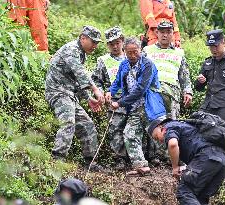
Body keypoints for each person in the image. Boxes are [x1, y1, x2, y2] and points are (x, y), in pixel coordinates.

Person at [45, 26, 105, 171]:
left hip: (69, 95)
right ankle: (57, 161)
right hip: (58, 93)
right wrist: (95, 89)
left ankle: (90, 163)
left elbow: (76, 81)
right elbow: (80, 73)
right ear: (83, 38)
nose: (95, 46)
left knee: (87, 125)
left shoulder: (81, 53)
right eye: (93, 42)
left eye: (97, 43)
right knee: (68, 122)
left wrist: (88, 98)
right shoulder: (71, 49)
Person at [106, 37, 166, 174]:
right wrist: (110, 91)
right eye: (129, 52)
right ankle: (141, 165)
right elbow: (117, 82)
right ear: (124, 51)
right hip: (134, 107)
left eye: (135, 52)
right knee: (130, 133)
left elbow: (140, 89)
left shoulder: (147, 65)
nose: (132, 55)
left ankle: (179, 161)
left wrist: (119, 102)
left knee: (159, 135)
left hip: (149, 106)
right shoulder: (124, 64)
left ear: (140, 50)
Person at [148, 118, 225, 205]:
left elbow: (173, 144)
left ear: (161, 127)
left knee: (184, 191)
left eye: (156, 137)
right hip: (224, 161)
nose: (159, 141)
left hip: (207, 156)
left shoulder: (168, 127)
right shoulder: (184, 126)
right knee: (199, 196)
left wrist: (175, 167)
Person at [91, 26, 127, 170]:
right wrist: (101, 93)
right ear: (108, 45)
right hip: (113, 101)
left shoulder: (131, 55)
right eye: (111, 44)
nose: (115, 46)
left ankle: (138, 157)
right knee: (115, 130)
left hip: (132, 99)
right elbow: (96, 80)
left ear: (122, 41)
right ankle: (120, 159)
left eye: (117, 42)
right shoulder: (103, 60)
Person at [143, 21, 193, 119]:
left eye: (168, 32)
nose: (165, 35)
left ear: (173, 34)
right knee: (155, 127)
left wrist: (188, 92)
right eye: (162, 32)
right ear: (157, 33)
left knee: (171, 127)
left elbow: (184, 76)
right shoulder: (147, 51)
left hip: (172, 95)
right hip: (153, 93)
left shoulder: (179, 53)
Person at [194, 29, 225, 125]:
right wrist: (200, 81)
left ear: (223, 43)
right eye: (211, 47)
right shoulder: (207, 62)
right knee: (198, 129)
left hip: (224, 106)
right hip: (208, 104)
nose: (213, 49)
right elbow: (198, 88)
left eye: (216, 46)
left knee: (222, 134)